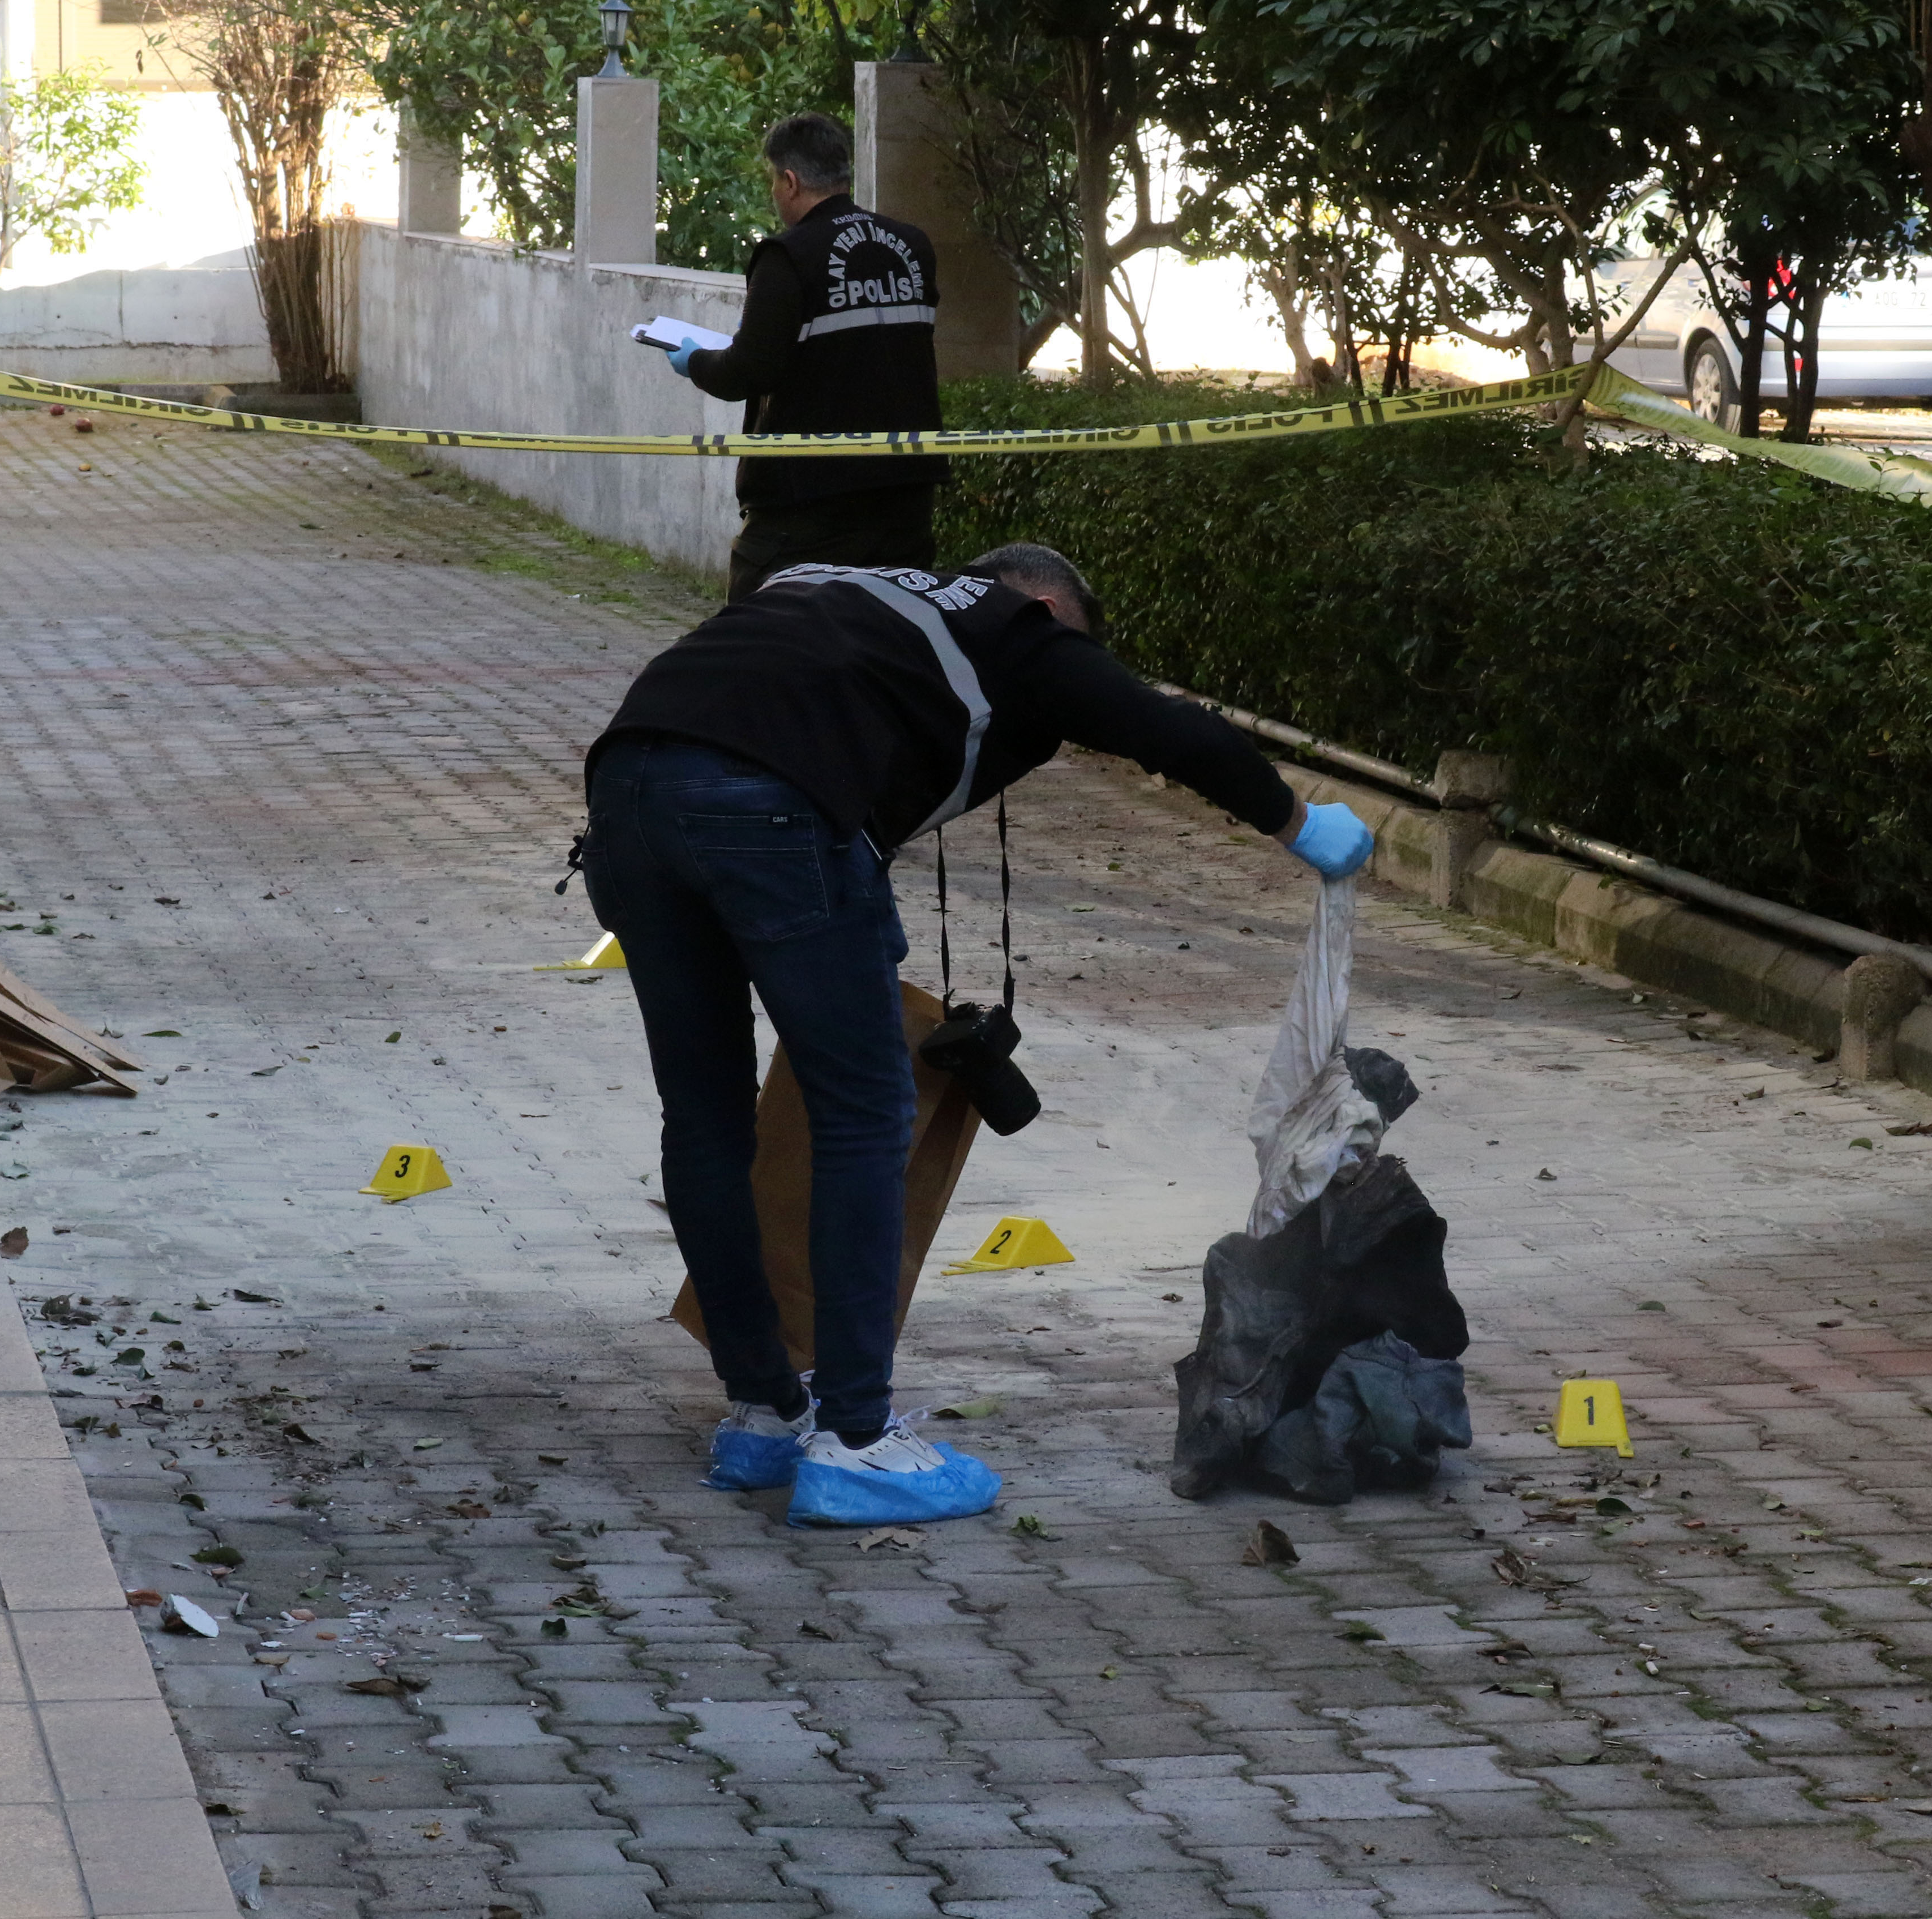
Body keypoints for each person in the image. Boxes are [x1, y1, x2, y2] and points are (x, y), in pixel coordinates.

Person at [580, 544, 1375, 1526]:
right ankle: (858, 1441)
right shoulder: (1017, 627)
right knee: (865, 1114)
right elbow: (1170, 731)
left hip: (625, 794)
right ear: (1047, 605)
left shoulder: (833, 585)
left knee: (703, 1117)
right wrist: (1301, 824)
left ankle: (762, 1418)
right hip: (771, 812)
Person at [662, 112, 946, 599]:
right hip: (904, 493)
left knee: (768, 645)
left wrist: (695, 359)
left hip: (810, 499)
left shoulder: (788, 255)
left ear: (790, 181)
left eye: (775, 181)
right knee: (885, 639)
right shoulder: (911, 246)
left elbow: (748, 371)